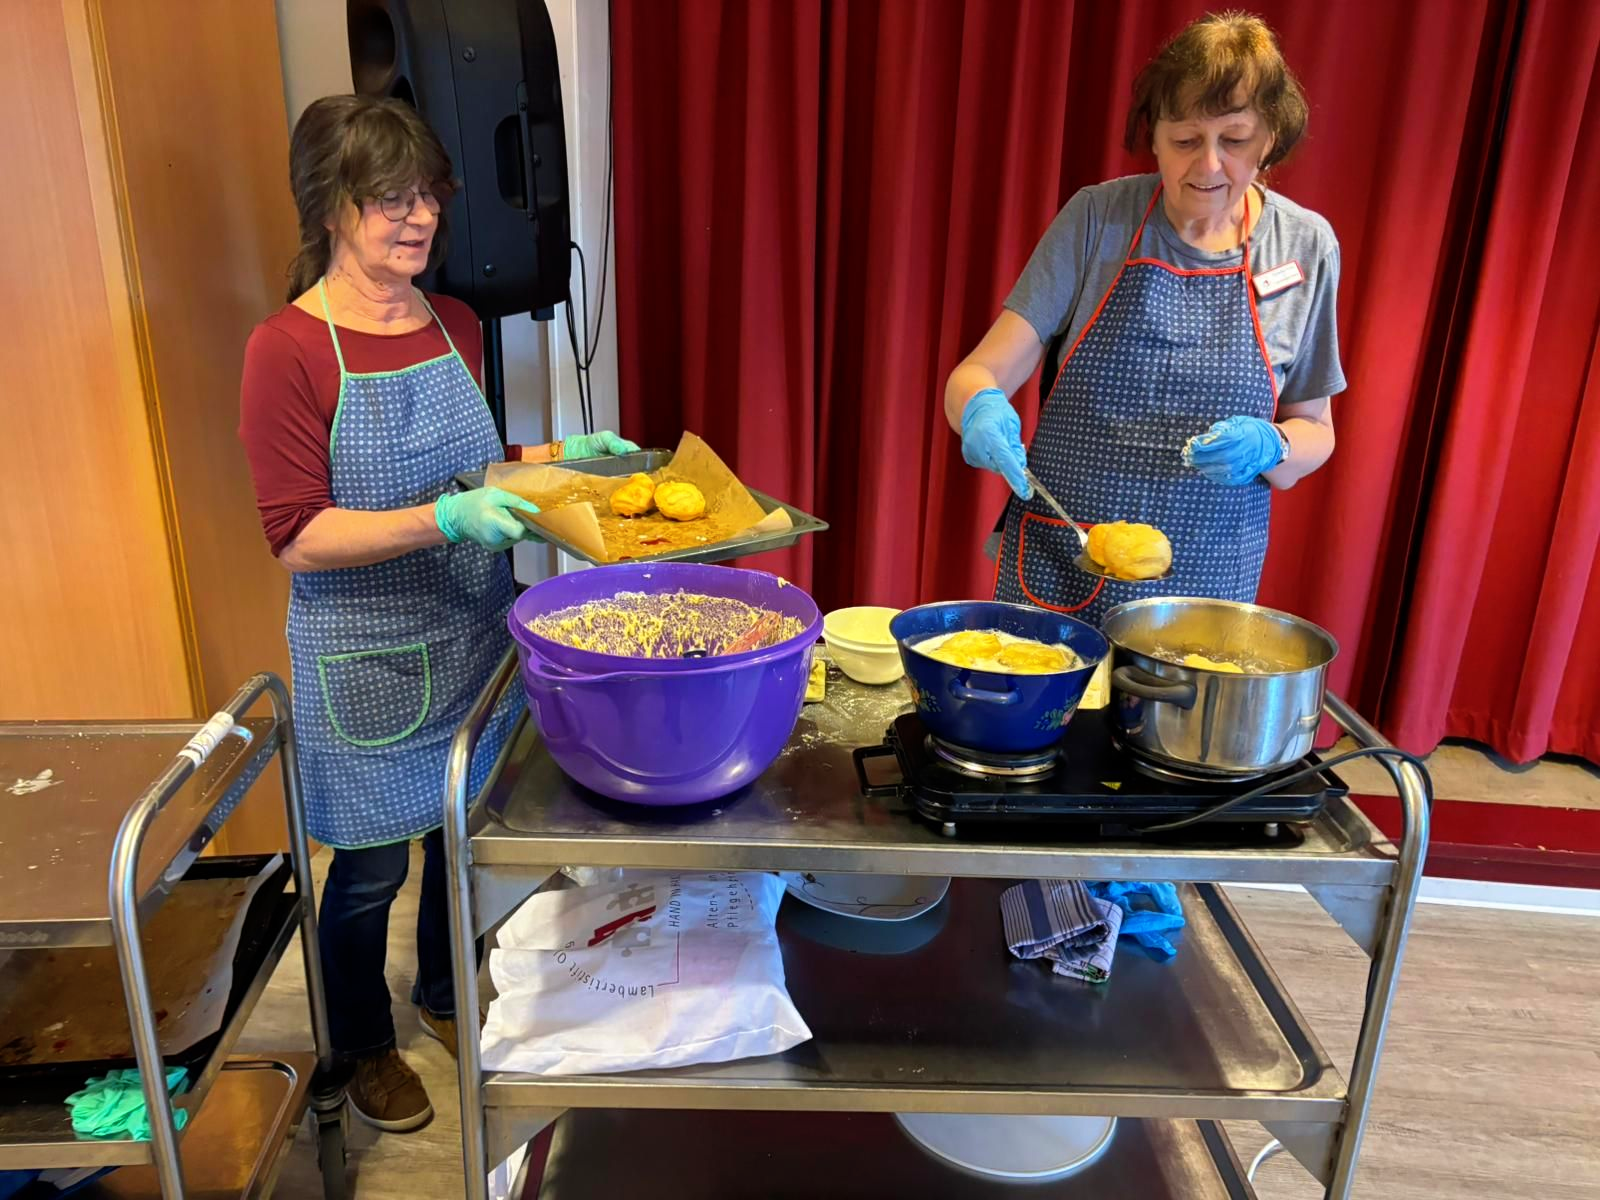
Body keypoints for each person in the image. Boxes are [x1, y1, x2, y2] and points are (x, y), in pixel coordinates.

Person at [238, 94, 637, 1132]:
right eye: (392, 199)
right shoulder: (288, 349)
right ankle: (361, 1045)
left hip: (468, 634)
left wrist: (560, 461)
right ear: (331, 205)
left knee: (459, 842)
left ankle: (447, 994)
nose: (419, 218)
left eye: (427, 195)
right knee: (370, 871)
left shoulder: (451, 321)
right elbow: (295, 533)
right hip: (366, 659)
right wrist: (444, 520)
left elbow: (476, 463)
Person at [946, 11, 1343, 625]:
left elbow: (1316, 429)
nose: (1208, 166)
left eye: (1234, 140)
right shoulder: (1097, 219)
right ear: (1153, 134)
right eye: (1185, 140)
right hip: (1063, 564)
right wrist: (977, 407)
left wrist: (1274, 445)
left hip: (1206, 584)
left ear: (1269, 139)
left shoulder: (1305, 246)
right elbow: (977, 374)